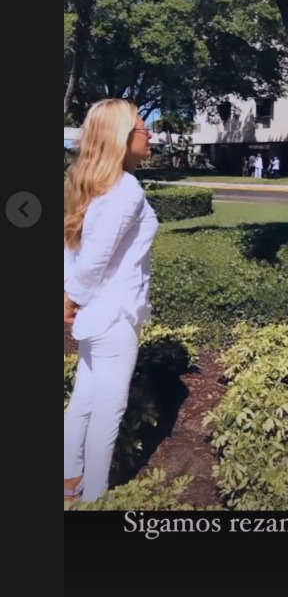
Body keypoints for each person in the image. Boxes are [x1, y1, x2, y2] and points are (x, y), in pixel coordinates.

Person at [63, 99, 159, 504]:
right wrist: (70, 299)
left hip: (96, 316)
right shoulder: (126, 190)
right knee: (108, 410)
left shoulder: (98, 184)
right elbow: (93, 260)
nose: (149, 133)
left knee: (84, 400)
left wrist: (70, 296)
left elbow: (73, 248)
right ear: (121, 137)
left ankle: (68, 481)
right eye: (141, 127)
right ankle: (96, 498)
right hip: (114, 317)